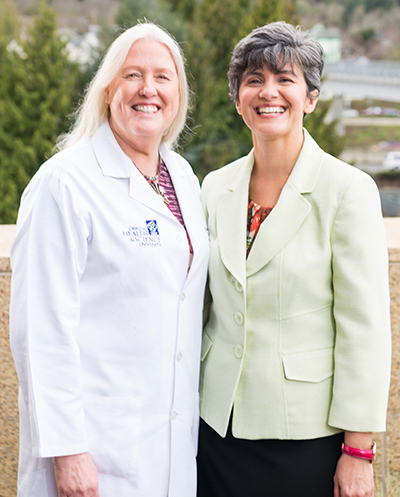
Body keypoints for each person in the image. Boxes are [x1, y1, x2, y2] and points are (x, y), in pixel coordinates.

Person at [10, 22, 209, 497]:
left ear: (178, 92)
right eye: (132, 75)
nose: (149, 89)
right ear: (106, 90)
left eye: (163, 77)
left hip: (170, 446)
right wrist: (68, 451)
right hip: (94, 451)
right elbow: (41, 329)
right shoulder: (64, 183)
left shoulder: (181, 175)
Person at [197, 21, 391, 497]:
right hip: (216, 431)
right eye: (254, 80)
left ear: (310, 98)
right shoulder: (213, 187)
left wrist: (358, 451)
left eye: (285, 79)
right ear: (238, 98)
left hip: (306, 437)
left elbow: (363, 330)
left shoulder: (348, 191)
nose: (269, 93)